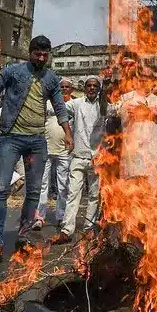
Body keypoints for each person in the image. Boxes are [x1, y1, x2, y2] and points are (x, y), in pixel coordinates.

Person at [0, 35, 70, 268]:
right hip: (11, 139)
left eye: (45, 55)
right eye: (37, 54)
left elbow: (59, 105)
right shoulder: (14, 71)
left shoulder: (51, 78)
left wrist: (68, 132)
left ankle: (23, 238)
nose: (41, 58)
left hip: (37, 141)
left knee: (34, 192)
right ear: (30, 53)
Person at [51, 76, 106, 245]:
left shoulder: (104, 106)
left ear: (98, 88)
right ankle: (67, 230)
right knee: (73, 194)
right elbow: (59, 108)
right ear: (84, 88)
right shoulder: (76, 104)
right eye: (88, 85)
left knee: (94, 196)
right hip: (78, 156)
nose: (91, 88)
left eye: (94, 86)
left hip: (97, 158)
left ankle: (89, 229)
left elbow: (118, 112)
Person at [34, 79, 75, 231]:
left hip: (65, 151)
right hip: (46, 148)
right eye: (62, 87)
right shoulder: (49, 103)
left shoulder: (74, 104)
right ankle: (39, 217)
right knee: (42, 184)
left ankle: (61, 216)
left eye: (67, 87)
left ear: (71, 89)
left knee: (63, 185)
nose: (64, 89)